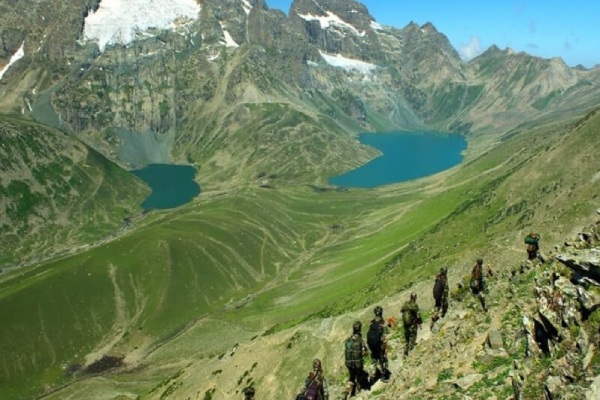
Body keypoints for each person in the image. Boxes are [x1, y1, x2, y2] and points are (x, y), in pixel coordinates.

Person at [343, 321, 369, 399]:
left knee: (351, 377)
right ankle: (358, 388)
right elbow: (365, 351)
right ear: (359, 329)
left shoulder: (348, 339)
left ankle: (346, 393)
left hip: (349, 364)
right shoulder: (360, 340)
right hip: (357, 364)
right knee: (360, 374)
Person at [366, 306, 391, 382]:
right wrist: (385, 347)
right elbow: (385, 335)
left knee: (373, 360)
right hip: (380, 345)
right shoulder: (382, 322)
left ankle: (372, 376)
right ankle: (384, 376)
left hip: (372, 345)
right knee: (382, 360)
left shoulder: (372, 322)